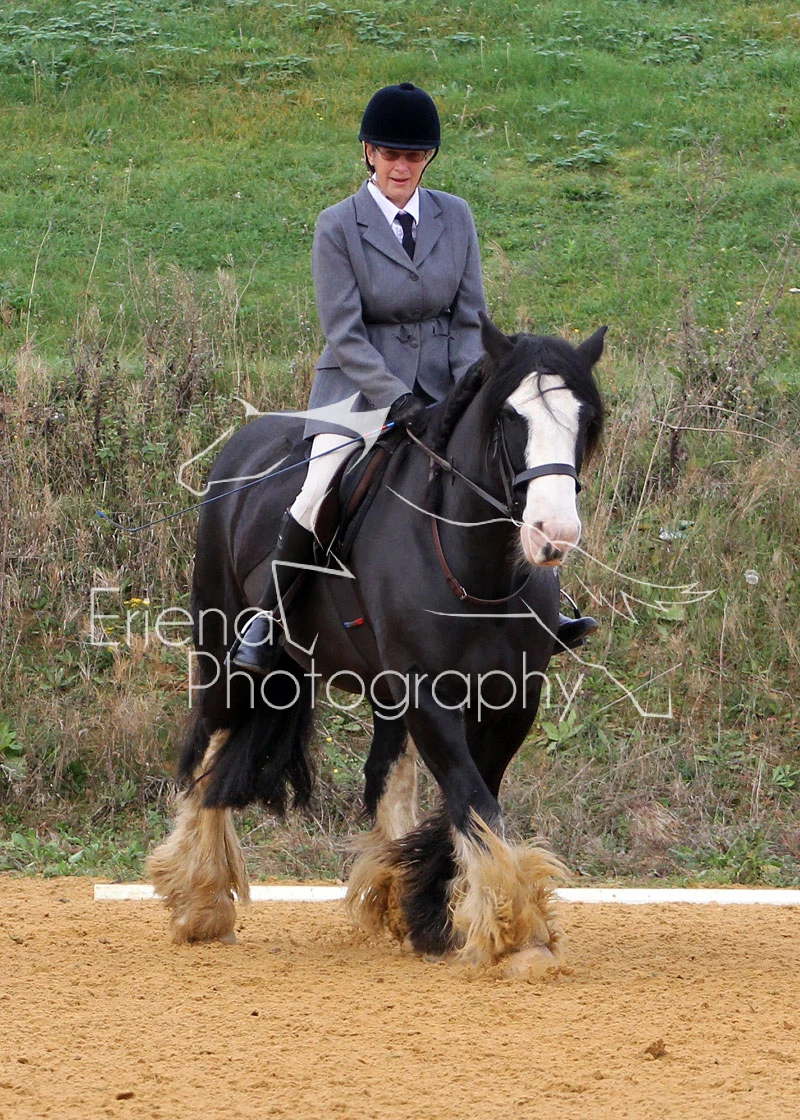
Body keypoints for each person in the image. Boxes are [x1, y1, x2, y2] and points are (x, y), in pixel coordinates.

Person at [230, 82, 596, 673]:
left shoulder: (456, 216)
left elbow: (470, 317)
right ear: (369, 153)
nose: (401, 167)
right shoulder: (338, 226)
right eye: (390, 154)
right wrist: (393, 397)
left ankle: (544, 613)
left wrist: (468, 392)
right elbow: (344, 332)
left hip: (447, 388)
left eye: (414, 156)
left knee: (502, 470)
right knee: (318, 487)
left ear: (428, 158)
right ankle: (267, 619)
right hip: (357, 393)